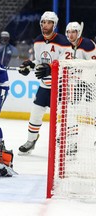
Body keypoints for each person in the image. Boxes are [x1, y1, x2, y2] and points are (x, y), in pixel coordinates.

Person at [17, 11, 71, 155]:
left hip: (61, 87)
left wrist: (50, 68)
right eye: (43, 22)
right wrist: (30, 65)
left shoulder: (63, 42)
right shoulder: (38, 40)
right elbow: (40, 62)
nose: (45, 25)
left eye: (48, 22)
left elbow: (66, 64)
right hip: (44, 86)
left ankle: (68, 142)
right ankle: (31, 141)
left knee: (65, 117)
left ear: (54, 24)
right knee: (35, 114)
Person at [64, 22, 96, 155]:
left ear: (79, 33)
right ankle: (72, 142)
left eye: (74, 32)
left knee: (93, 110)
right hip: (77, 83)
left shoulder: (88, 45)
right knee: (71, 109)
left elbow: (93, 65)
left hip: (91, 81)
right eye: (69, 32)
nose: (71, 35)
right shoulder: (66, 46)